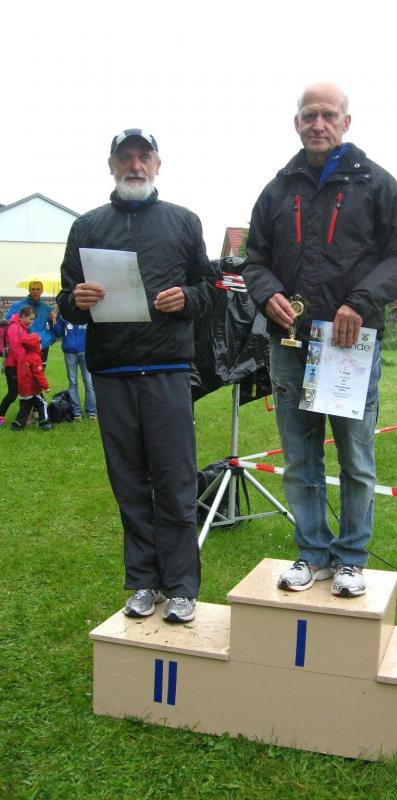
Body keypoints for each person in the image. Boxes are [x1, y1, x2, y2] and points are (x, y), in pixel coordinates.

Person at [244, 83, 397, 597]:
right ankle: (313, 554)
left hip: (350, 346)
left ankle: (351, 559)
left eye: (327, 114)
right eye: (309, 115)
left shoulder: (377, 185)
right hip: (290, 343)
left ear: (346, 122)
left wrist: (360, 302)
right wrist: (268, 293)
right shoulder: (277, 190)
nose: (317, 123)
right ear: (296, 123)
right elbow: (254, 260)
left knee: (355, 459)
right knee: (300, 458)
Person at [57, 128, 210, 624]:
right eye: (126, 158)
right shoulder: (87, 227)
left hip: (168, 369)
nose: (135, 165)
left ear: (158, 165)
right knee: (129, 483)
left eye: (144, 157)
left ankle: (181, 587)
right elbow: (66, 300)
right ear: (111, 166)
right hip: (113, 371)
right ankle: (145, 581)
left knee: (175, 480)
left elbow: (210, 288)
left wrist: (188, 297)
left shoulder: (184, 221)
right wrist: (75, 300)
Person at [53, 314, 97, 419]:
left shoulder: (87, 313)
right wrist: (55, 320)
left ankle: (91, 411)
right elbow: (58, 333)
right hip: (69, 352)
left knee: (89, 382)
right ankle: (76, 411)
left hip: (85, 351)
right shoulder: (63, 314)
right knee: (73, 382)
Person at [0, 306, 37, 424]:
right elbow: (16, 348)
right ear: (23, 316)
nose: (32, 322)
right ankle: (1, 415)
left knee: (26, 391)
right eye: (31, 319)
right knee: (13, 393)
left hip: (20, 365)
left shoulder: (23, 327)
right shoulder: (14, 327)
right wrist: (26, 363)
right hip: (12, 366)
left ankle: (24, 417)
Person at [4, 281, 57, 363]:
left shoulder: (47, 308)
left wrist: (53, 320)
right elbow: (6, 322)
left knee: (39, 369)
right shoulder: (18, 305)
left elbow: (53, 327)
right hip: (25, 345)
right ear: (29, 290)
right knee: (25, 369)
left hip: (42, 345)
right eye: (33, 289)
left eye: (38, 289)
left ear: (42, 291)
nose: (35, 291)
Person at [12, 331, 52, 431]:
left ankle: (17, 424)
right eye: (40, 343)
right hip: (32, 389)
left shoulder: (23, 357)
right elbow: (39, 375)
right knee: (42, 404)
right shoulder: (35, 358)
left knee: (25, 407)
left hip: (23, 389)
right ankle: (44, 422)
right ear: (35, 345)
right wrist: (46, 387)